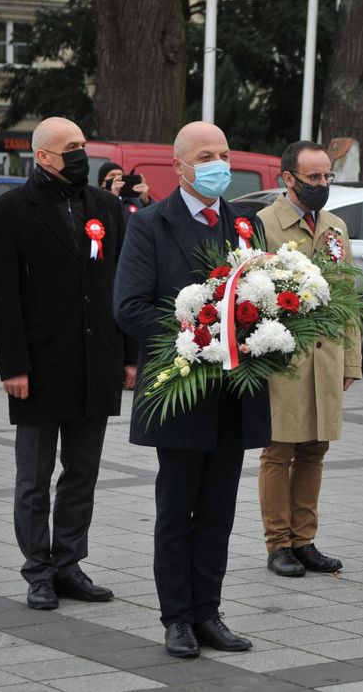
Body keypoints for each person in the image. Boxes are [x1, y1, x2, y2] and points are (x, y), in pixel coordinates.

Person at [115, 121, 270, 658]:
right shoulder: (150, 226)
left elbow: (268, 298)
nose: (218, 163)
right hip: (181, 391)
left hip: (234, 396)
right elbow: (130, 308)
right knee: (177, 510)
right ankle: (176, 617)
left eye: (224, 153)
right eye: (206, 155)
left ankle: (209, 612)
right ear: (179, 166)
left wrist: (266, 335)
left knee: (218, 512)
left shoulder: (245, 224)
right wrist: (200, 337)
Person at [0, 118, 134, 612]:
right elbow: (2, 296)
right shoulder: (9, 211)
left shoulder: (107, 207)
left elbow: (122, 286)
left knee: (82, 471)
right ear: (43, 156)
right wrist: (14, 366)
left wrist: (128, 357)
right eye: (70, 148)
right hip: (40, 366)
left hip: (96, 361)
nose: (80, 154)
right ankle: (39, 570)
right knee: (35, 475)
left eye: (83, 146)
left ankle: (69, 562)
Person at [255, 140, 360, 579]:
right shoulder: (264, 224)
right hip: (284, 356)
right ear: (289, 179)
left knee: (315, 450)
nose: (322, 184)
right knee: (279, 450)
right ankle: (278, 542)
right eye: (313, 177)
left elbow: (350, 297)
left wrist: (351, 360)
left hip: (327, 355)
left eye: (326, 177)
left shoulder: (335, 226)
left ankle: (305, 539)